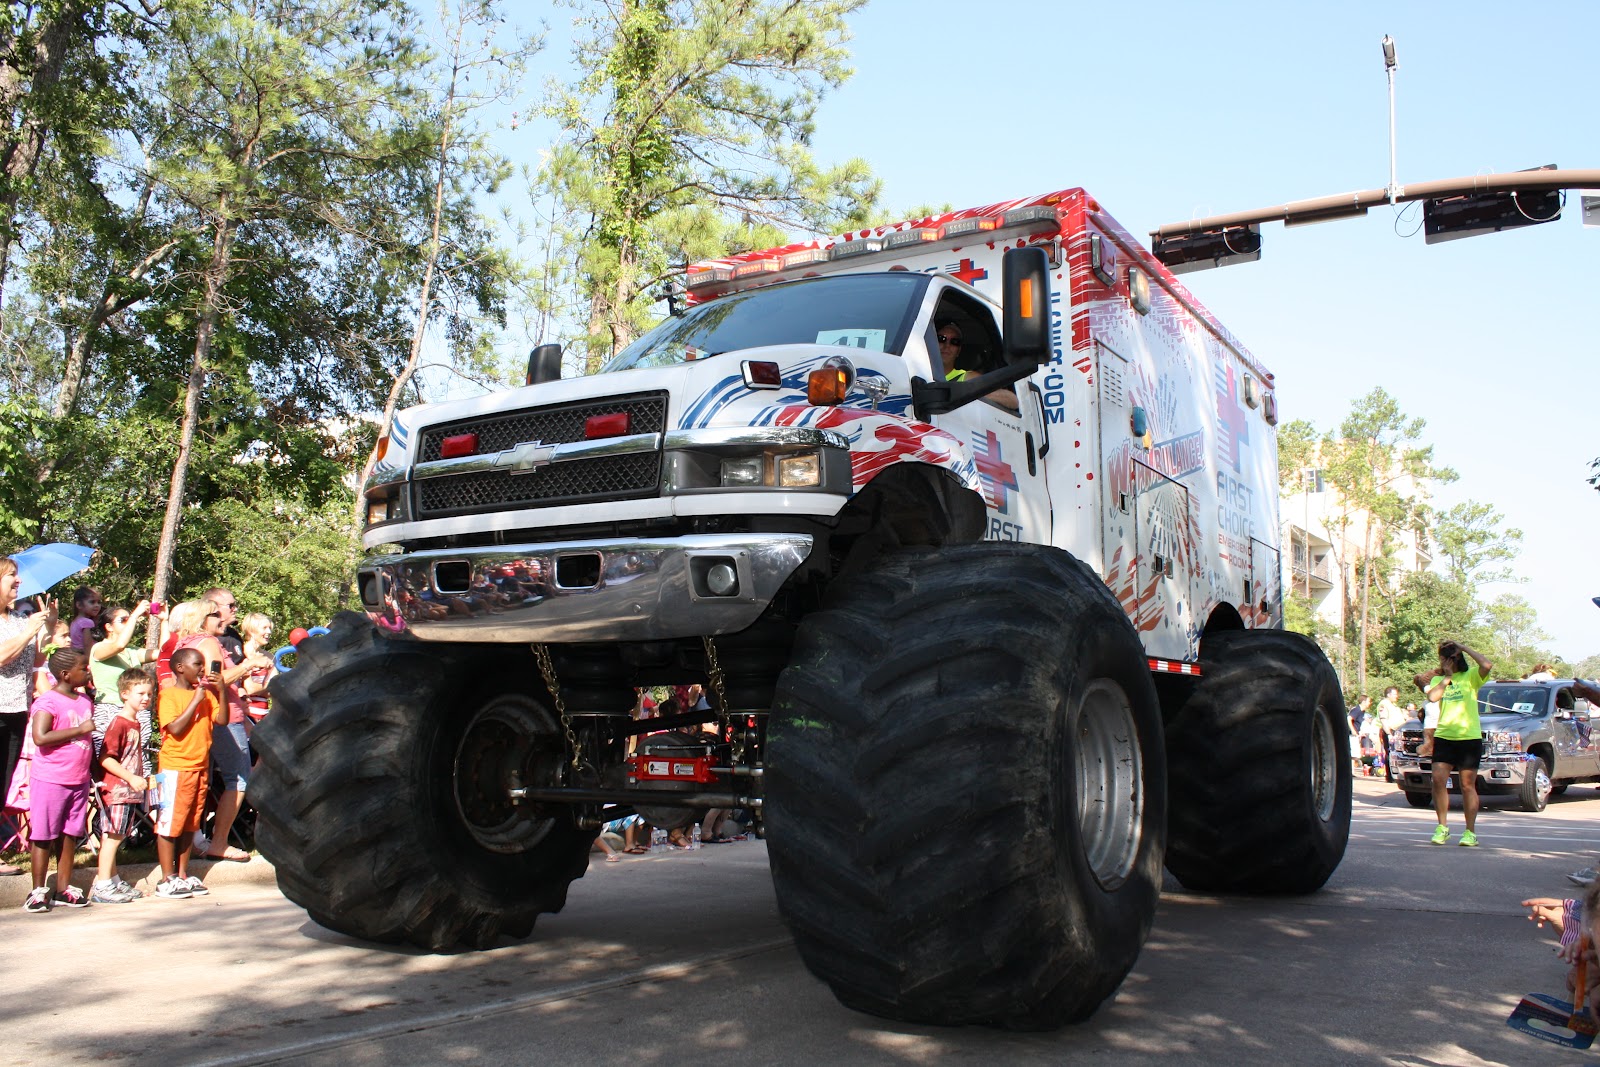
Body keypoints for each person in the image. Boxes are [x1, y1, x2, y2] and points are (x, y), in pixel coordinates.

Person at [171, 595, 268, 861]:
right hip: (223, 718)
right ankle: (219, 842)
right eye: (215, 614)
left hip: (202, 718)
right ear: (202, 619)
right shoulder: (208, 642)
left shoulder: (186, 642)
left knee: (203, 781)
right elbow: (217, 680)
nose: (222, 617)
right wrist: (248, 665)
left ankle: (190, 842)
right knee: (237, 779)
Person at [23, 646, 96, 912]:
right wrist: (78, 729)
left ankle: (63, 888)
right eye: (83, 668)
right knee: (43, 834)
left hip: (78, 779)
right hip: (51, 779)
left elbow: (89, 742)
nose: (87, 671)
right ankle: (38, 890)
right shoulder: (48, 701)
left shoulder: (85, 701)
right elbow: (40, 737)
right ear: (65, 674)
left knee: (70, 834)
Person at [153, 647, 226, 897]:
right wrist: (195, 701)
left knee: (190, 823)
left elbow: (222, 720)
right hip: (175, 767)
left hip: (199, 765)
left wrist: (222, 691)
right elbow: (174, 728)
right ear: (180, 668)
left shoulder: (207, 695)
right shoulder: (169, 695)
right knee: (169, 822)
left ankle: (183, 873)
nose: (202, 669)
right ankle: (166, 877)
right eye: (197, 664)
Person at [0, 558, 55, 876]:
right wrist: (28, 632)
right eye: (11, 577)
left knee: (3, 784)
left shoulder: (20, 620)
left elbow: (35, 660)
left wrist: (46, 627)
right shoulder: (19, 625)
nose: (18, 582)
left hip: (17, 711)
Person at [1414, 640, 1493, 847]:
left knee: (1467, 785)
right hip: (1444, 737)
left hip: (1469, 738)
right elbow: (1432, 697)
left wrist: (1464, 647)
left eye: (1445, 658)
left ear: (1455, 658)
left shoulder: (1470, 677)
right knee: (1438, 780)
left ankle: (1470, 832)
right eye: (1440, 658)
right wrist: (1447, 677)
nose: (1442, 662)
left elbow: (1487, 665)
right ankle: (1442, 827)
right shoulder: (1440, 679)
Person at [92, 668, 154, 904]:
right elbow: (106, 757)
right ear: (125, 694)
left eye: (149, 693)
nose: (146, 698)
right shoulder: (119, 722)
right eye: (140, 693)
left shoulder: (135, 723)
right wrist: (130, 777)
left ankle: (113, 879)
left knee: (119, 834)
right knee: (113, 837)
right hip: (117, 789)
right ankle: (102, 885)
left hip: (128, 790)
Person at [89, 601, 151, 749]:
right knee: (108, 754)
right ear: (109, 627)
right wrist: (135, 615)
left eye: (129, 619)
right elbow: (118, 645)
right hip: (109, 709)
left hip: (136, 709)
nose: (129, 622)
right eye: (123, 620)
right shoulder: (98, 648)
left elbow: (162, 653)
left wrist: (163, 620)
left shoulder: (131, 650)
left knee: (137, 756)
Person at [935, 319, 1018, 413]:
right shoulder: (920, 371)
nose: (947, 345)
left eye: (954, 341)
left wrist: (970, 393)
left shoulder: (965, 377)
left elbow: (1012, 400)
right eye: (941, 339)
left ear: (958, 351)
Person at [238, 612, 275, 721]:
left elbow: (272, 691)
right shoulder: (241, 653)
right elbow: (250, 689)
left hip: (264, 714)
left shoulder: (269, 656)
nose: (269, 632)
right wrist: (269, 685)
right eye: (264, 628)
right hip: (246, 714)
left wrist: (266, 687)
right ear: (251, 630)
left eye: (269, 628)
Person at [66, 586, 103, 653]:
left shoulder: (75, 621)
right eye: (92, 602)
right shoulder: (87, 622)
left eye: (99, 602)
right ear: (79, 605)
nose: (97, 605)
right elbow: (88, 646)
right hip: (85, 657)